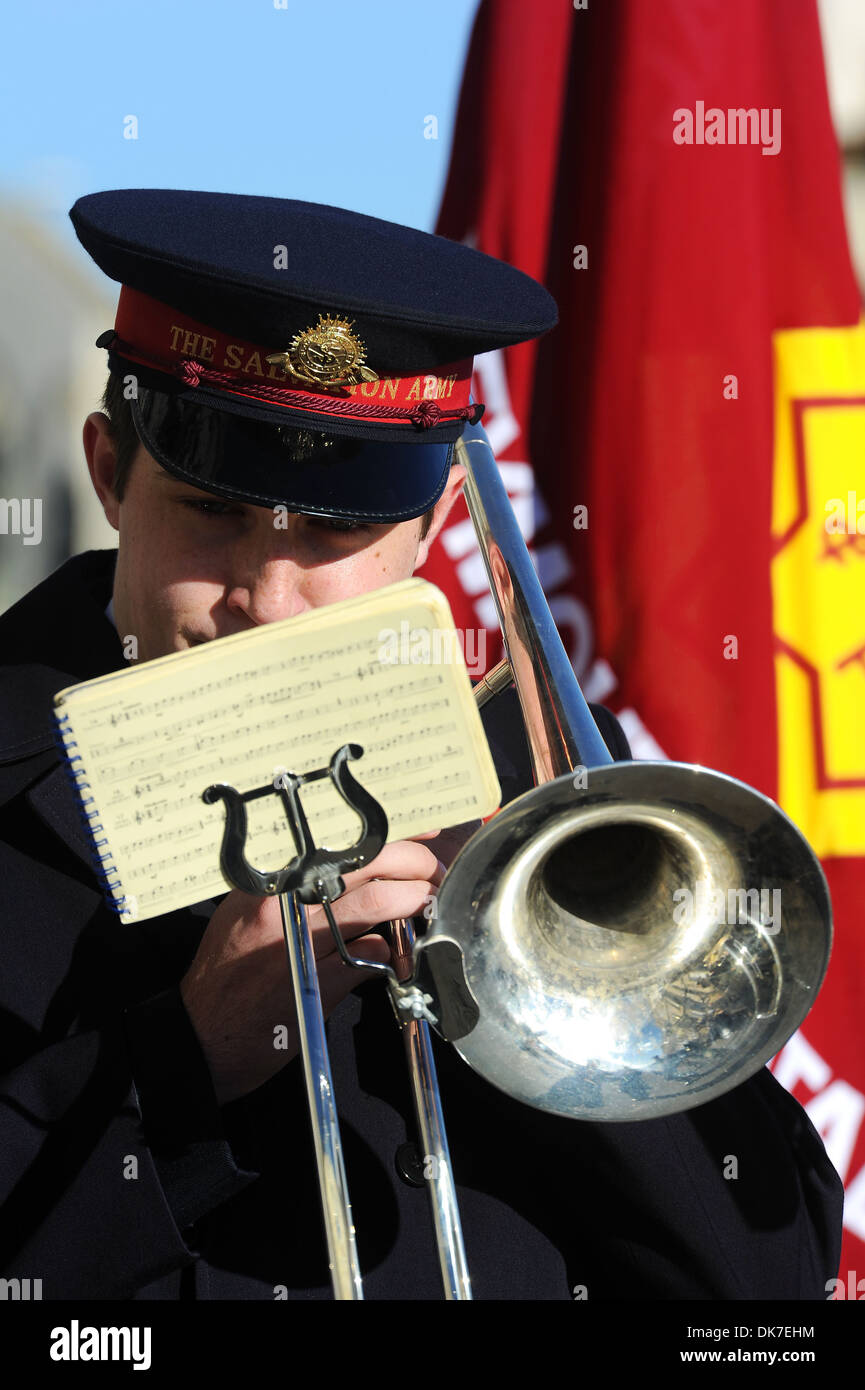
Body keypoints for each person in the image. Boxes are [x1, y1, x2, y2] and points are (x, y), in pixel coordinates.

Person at [0, 189, 842, 1301]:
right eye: (210, 512)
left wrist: (548, 970)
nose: (269, 597)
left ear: (438, 519)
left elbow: (760, 1280)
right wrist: (188, 1055)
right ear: (110, 472)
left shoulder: (532, 797)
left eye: (340, 532)